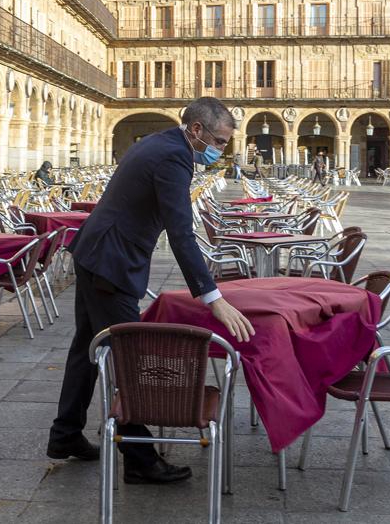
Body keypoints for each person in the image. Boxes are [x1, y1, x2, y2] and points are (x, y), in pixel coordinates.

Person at [46, 97, 255, 484]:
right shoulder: (173, 158)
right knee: (131, 353)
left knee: (86, 349)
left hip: (98, 251)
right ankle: (139, 458)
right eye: (221, 142)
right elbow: (180, 233)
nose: (222, 150)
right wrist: (213, 298)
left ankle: (65, 435)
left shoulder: (161, 143)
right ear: (196, 130)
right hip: (111, 260)